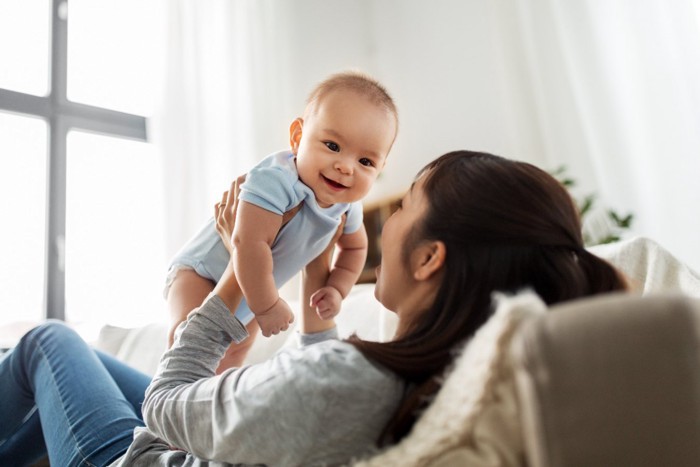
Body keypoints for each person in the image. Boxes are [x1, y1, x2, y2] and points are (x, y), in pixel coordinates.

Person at [0, 150, 627, 466]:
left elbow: (163, 406)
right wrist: (318, 300)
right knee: (84, 365)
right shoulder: (437, 379)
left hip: (143, 458)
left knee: (47, 341)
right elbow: (318, 425)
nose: (386, 218)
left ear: (431, 258)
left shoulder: (345, 383)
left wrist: (240, 276)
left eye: (405, 203)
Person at [164, 71, 399, 370]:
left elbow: (355, 250)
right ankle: (175, 389)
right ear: (298, 137)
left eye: (365, 161)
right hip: (201, 272)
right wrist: (267, 305)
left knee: (233, 358)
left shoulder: (348, 206)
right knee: (184, 334)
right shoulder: (276, 181)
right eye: (332, 146)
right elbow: (248, 242)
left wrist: (337, 288)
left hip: (253, 292)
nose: (345, 167)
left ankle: (206, 404)